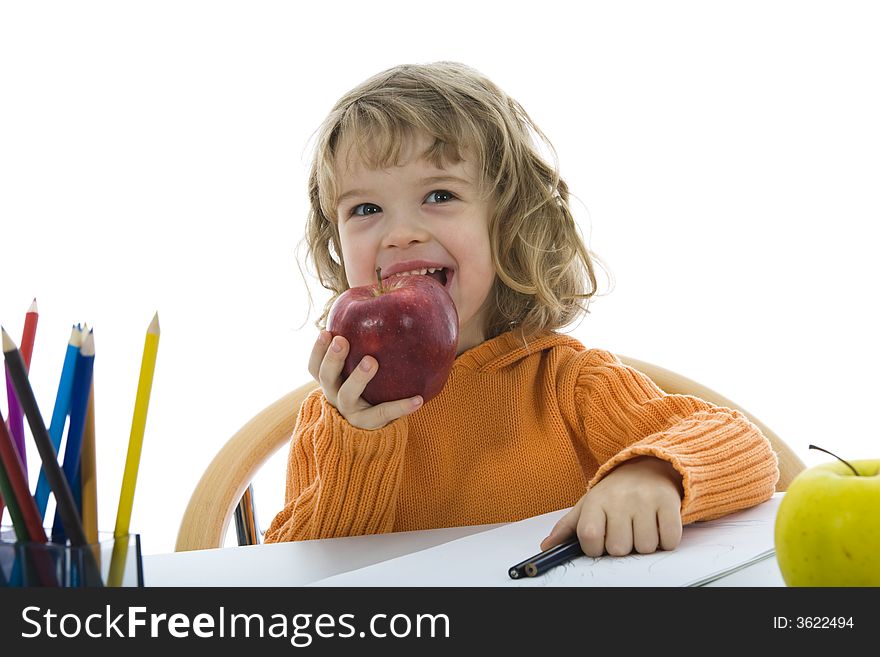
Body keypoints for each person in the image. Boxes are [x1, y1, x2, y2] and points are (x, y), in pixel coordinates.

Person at [264, 62, 778, 557]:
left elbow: (742, 446)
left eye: (439, 194)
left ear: (506, 223)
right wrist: (359, 443)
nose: (400, 234)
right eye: (366, 209)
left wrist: (653, 471)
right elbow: (295, 577)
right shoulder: (329, 418)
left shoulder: (566, 383)